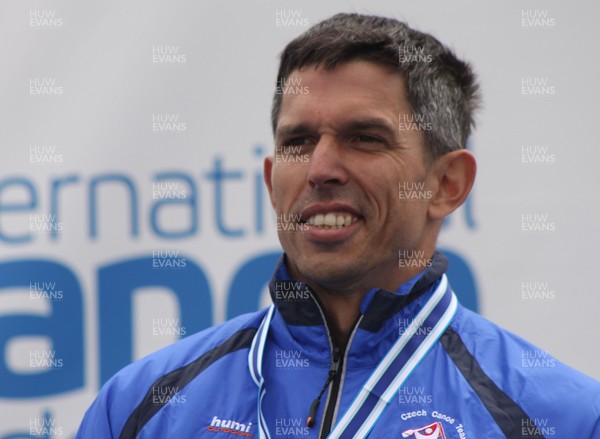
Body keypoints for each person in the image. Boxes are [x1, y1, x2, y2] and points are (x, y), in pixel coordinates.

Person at [77, 13, 600, 438]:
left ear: (447, 184)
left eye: (365, 138)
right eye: (297, 142)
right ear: (269, 178)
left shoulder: (563, 419)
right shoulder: (139, 408)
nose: (320, 169)